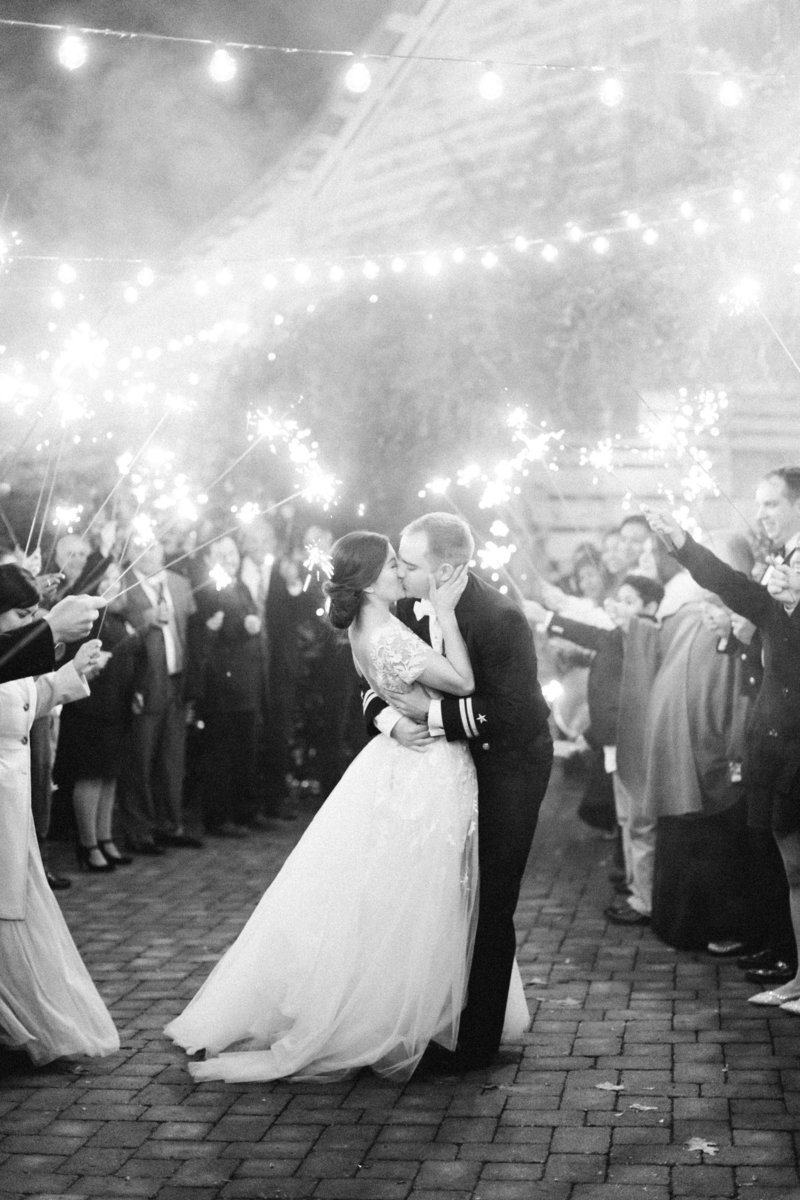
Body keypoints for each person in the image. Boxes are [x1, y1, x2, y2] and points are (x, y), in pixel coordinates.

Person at [165, 530, 518, 1082]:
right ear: (371, 579)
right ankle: (402, 1012)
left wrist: (392, 717)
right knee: (419, 890)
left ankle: (412, 1005)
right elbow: (465, 683)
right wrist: (446, 616)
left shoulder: (365, 625)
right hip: (428, 770)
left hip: (404, 760)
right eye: (394, 565)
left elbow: (382, 688)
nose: (402, 571)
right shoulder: (388, 632)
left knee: (394, 888)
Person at [367, 512, 553, 1072]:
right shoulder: (405, 604)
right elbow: (372, 674)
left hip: (511, 768)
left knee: (492, 900)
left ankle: (475, 1045)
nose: (397, 570)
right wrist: (388, 720)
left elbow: (518, 712)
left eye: (408, 562)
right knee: (445, 896)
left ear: (445, 569)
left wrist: (434, 714)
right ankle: (436, 1019)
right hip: (449, 770)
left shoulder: (500, 618)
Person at [644, 507, 800, 1011]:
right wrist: (682, 542)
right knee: (792, 870)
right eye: (785, 562)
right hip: (773, 750)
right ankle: (798, 977)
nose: (782, 570)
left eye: (795, 565)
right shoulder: (774, 612)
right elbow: (724, 580)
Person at [0, 564, 119, 1065]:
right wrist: (49, 631)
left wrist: (72, 673)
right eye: (22, 614)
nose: (32, 620)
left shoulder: (13, 661)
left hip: (12, 798)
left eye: (36, 612)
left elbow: (31, 702)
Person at [53, 562, 144, 871]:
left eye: (117, 577)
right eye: (106, 577)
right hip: (89, 707)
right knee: (91, 773)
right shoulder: (83, 616)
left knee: (109, 774)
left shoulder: (117, 616)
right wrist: (89, 669)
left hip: (116, 705)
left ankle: (105, 839)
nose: (114, 583)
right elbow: (65, 660)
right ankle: (88, 843)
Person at [117, 538, 202, 854]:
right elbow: (112, 627)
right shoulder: (123, 585)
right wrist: (144, 619)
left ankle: (171, 824)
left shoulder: (179, 583)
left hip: (177, 680)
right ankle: (138, 830)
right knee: (140, 757)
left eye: (152, 546)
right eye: (138, 547)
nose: (147, 553)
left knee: (172, 758)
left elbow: (190, 633)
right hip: (144, 681)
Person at [192, 535, 264, 836]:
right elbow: (210, 633)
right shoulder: (208, 590)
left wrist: (253, 623)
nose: (230, 558)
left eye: (233, 552)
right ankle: (218, 817)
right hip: (222, 683)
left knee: (245, 750)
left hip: (247, 682)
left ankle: (245, 811)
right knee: (220, 753)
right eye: (223, 554)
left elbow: (249, 617)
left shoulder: (242, 586)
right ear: (211, 558)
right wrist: (240, 626)